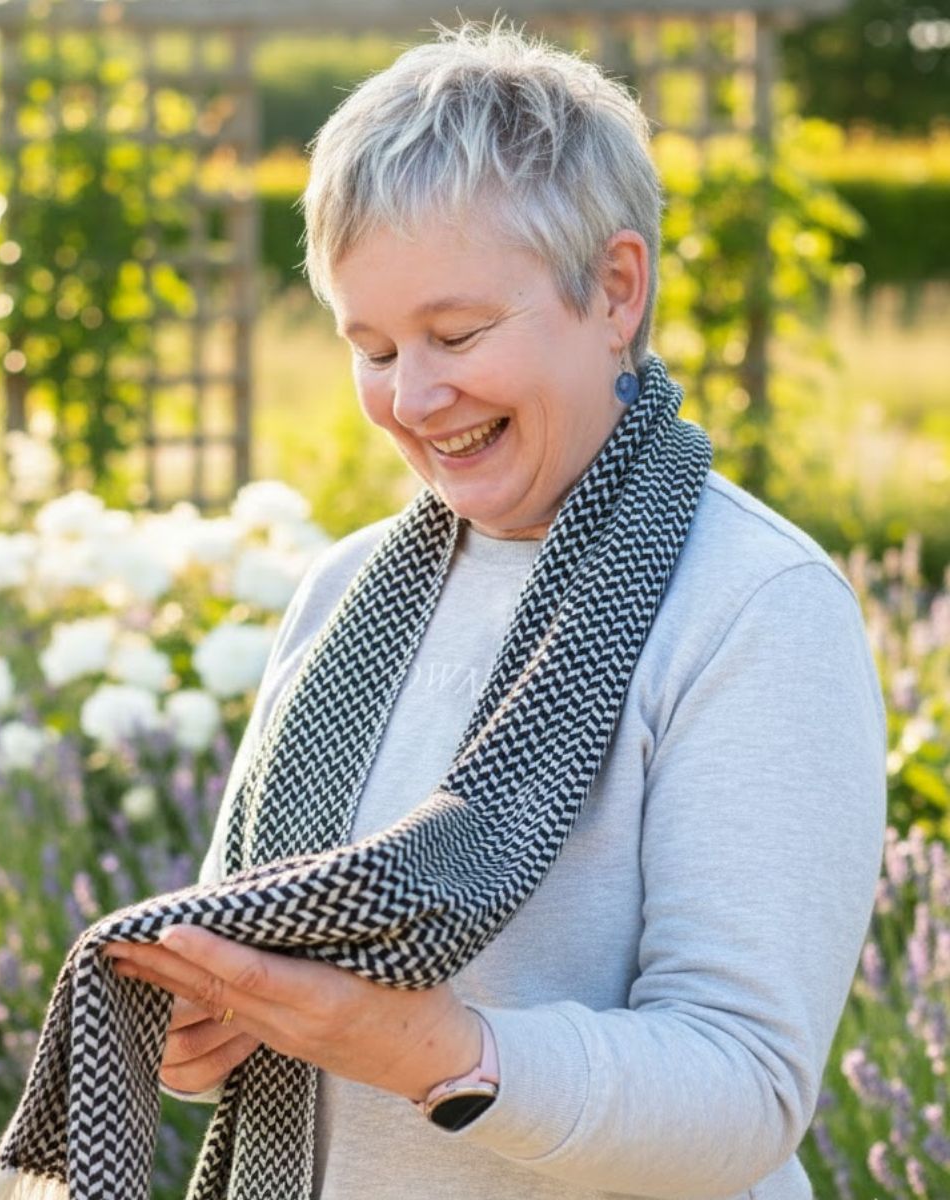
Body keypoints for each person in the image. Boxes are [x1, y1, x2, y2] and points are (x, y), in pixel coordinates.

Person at [99, 20, 887, 1200]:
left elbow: (746, 1093)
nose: (413, 397)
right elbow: (249, 954)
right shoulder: (342, 592)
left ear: (615, 289)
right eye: (370, 347)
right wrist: (195, 1028)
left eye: (456, 333)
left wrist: (430, 1055)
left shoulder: (755, 610)